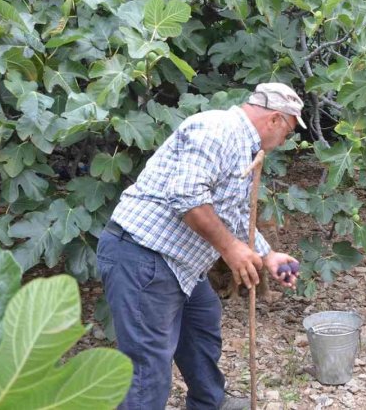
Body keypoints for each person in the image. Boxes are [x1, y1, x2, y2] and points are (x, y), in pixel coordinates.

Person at [97, 83, 304, 410]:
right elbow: (187, 198)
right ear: (275, 119)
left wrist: (268, 255)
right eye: (288, 132)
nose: (284, 141)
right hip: (143, 255)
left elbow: (235, 213)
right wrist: (231, 249)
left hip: (180, 265)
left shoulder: (244, 147)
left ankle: (209, 402)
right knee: (146, 369)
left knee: (202, 324)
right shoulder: (216, 130)